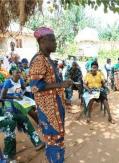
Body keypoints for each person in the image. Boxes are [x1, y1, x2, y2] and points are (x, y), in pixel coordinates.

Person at [29, 27, 73, 163]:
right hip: (48, 110)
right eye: (52, 40)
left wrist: (64, 85)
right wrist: (61, 85)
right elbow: (35, 86)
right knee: (54, 139)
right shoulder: (39, 60)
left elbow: (51, 82)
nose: (55, 43)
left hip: (55, 107)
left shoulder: (48, 59)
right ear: (42, 41)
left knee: (55, 138)